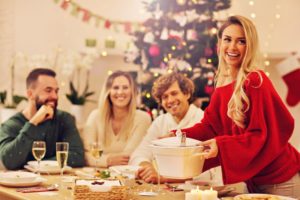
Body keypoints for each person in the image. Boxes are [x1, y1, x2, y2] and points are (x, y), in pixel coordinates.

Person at [176, 15, 300, 198]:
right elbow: (210, 127)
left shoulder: (256, 80)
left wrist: (220, 145)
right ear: (220, 43)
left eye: (241, 41)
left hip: (280, 179)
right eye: (227, 39)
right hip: (255, 180)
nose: (232, 47)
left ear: (249, 46)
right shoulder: (222, 84)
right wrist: (177, 137)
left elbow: (261, 135)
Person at [130, 72, 208, 183]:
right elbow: (138, 155)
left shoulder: (203, 119)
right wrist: (147, 167)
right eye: (165, 97)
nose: (170, 100)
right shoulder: (160, 122)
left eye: (174, 93)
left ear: (187, 94)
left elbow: (209, 170)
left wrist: (164, 177)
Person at [0, 68, 85, 170]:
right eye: (48, 90)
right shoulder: (11, 125)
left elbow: (78, 157)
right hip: (24, 184)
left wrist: (39, 165)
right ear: (30, 94)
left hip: (57, 182)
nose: (54, 96)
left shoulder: (64, 119)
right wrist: (33, 123)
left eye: (56, 91)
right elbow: (9, 161)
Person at [83, 71, 151, 167]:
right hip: (97, 176)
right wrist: (108, 160)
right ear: (108, 91)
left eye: (125, 88)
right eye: (115, 88)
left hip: (128, 176)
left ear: (132, 91)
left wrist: (100, 159)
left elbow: (130, 157)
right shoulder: (95, 116)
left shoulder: (143, 118)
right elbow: (85, 155)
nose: (120, 92)